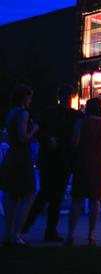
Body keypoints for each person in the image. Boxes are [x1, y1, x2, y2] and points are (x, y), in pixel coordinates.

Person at [23, 85, 82, 242]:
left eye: (68, 96)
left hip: (60, 159)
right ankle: (29, 225)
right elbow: (38, 130)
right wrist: (48, 139)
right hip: (54, 159)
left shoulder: (71, 115)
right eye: (65, 96)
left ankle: (46, 229)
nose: (66, 99)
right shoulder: (57, 114)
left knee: (53, 196)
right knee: (47, 194)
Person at [66, 97, 101, 247]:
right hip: (98, 164)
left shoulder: (81, 123)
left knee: (77, 200)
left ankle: (71, 234)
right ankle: (92, 234)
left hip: (82, 163)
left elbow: (74, 143)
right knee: (95, 200)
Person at [0, 85, 39, 246]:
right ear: (24, 98)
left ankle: (8, 234)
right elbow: (23, 137)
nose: (30, 100)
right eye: (29, 97)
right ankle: (16, 233)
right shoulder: (23, 114)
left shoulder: (11, 114)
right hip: (21, 157)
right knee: (29, 194)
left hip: (11, 156)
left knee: (12, 196)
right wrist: (34, 130)